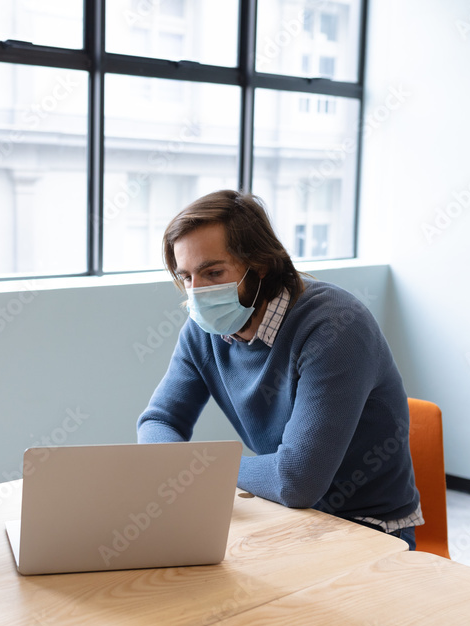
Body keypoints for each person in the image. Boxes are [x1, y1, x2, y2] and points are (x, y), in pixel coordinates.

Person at [137, 190, 421, 549]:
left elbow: (295, 480)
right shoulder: (203, 331)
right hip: (282, 515)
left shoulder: (335, 327)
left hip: (367, 527)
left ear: (259, 264)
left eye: (213, 272)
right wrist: (185, 466)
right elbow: (159, 421)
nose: (198, 292)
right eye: (187, 277)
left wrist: (196, 469)